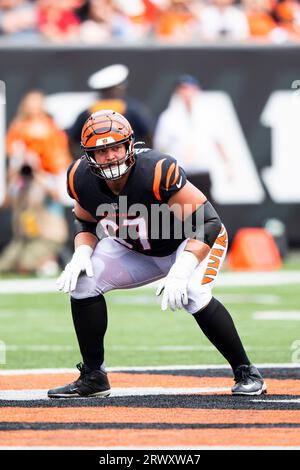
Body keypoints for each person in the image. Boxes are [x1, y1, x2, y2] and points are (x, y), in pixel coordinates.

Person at [48, 109, 266, 398]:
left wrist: (182, 267)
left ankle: (246, 371)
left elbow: (208, 223)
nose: (111, 156)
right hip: (135, 249)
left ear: (129, 146)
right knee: (83, 283)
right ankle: (94, 376)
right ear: (89, 155)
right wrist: (82, 252)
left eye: (115, 147)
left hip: (187, 243)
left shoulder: (156, 170)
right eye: (101, 151)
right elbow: (85, 220)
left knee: (192, 290)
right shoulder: (80, 178)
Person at [68, 63, 153, 151]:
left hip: (97, 162)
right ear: (119, 88)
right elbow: (149, 136)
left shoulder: (87, 113)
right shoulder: (133, 110)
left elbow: (71, 140)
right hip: (132, 160)